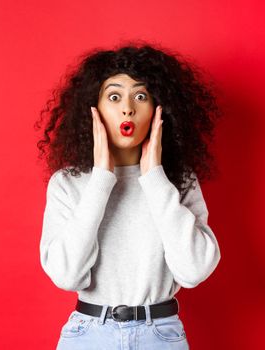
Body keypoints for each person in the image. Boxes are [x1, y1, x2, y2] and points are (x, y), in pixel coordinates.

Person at [35, 41, 222, 350]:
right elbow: (67, 276)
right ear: (94, 109)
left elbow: (194, 270)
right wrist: (101, 179)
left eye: (140, 95)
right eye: (114, 96)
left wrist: (154, 177)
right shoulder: (67, 184)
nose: (128, 108)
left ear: (159, 109)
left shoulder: (177, 181)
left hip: (161, 335)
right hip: (89, 334)